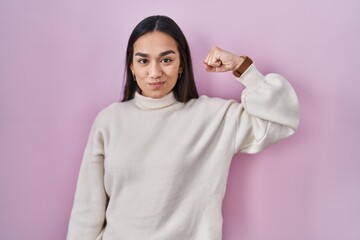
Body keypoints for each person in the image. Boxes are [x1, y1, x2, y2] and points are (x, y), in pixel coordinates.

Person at [67, 15, 299, 240]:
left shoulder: (213, 117)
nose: (155, 72)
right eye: (143, 60)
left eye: (166, 60)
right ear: (131, 66)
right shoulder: (109, 121)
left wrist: (242, 67)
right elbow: (87, 211)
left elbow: (282, 118)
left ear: (181, 65)